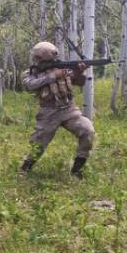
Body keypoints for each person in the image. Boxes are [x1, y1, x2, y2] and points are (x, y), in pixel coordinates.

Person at [19, 41, 95, 179]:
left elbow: (80, 82)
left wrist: (79, 71)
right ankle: (25, 169)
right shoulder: (30, 73)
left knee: (87, 131)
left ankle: (77, 170)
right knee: (38, 145)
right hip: (48, 112)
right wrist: (54, 75)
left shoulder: (63, 67)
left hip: (69, 109)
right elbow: (30, 85)